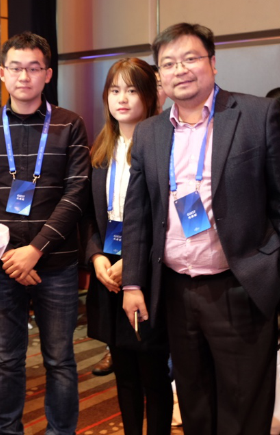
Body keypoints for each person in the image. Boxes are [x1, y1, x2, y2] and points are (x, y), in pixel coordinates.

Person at [121, 22, 280, 435]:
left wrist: (273, 272)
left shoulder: (255, 115)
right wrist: (133, 283)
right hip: (176, 290)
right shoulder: (149, 132)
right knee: (195, 401)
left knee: (244, 406)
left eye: (190, 58)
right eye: (168, 63)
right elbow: (138, 214)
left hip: (238, 285)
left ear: (213, 63)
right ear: (159, 75)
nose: (179, 70)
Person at [0, 32, 91, 434]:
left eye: (34, 68)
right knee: (6, 360)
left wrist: (34, 251)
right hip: (1, 266)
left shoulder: (70, 124)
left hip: (56, 264)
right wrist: (8, 254)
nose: (24, 76)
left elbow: (76, 193)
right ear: (2, 73)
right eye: (16, 68)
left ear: (47, 74)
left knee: (60, 359)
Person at [86, 57, 172, 434]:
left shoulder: (164, 145)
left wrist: (134, 263)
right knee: (123, 371)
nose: (121, 99)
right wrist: (96, 257)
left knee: (153, 370)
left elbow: (168, 218)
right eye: (115, 90)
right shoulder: (101, 149)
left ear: (150, 96)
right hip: (109, 266)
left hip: (150, 268)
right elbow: (91, 217)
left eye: (132, 90)